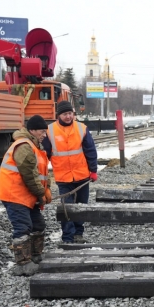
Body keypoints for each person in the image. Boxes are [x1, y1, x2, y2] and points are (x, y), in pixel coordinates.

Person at [0, 115, 52, 276]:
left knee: (38, 225)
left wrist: (46, 189)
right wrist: (41, 193)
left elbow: (41, 173)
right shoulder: (24, 146)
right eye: (42, 131)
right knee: (23, 227)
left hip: (26, 195)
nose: (44, 135)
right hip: (14, 195)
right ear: (32, 130)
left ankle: (35, 256)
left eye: (45, 132)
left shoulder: (34, 146)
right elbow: (29, 175)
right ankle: (23, 264)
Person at [43, 100, 98, 244]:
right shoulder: (50, 131)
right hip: (63, 178)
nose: (68, 117)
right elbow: (44, 155)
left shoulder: (82, 128)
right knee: (66, 208)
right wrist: (43, 177)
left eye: (70, 113)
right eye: (64, 114)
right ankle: (68, 238)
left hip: (82, 175)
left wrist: (93, 170)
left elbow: (90, 150)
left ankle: (78, 234)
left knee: (81, 207)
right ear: (58, 116)